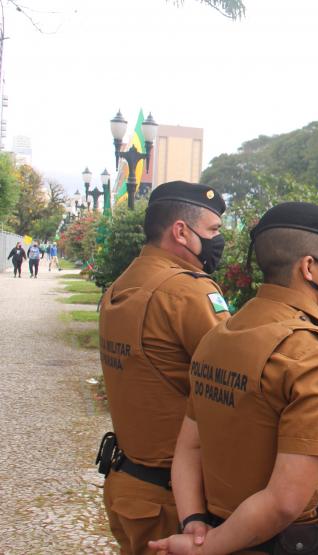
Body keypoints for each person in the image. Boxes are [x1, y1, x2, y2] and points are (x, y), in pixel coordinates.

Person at [148, 202, 318, 555]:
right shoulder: (316, 356)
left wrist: (195, 523)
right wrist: (204, 548)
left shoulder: (220, 335)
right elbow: (284, 502)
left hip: (219, 529)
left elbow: (189, 446)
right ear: (309, 267)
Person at [95, 181, 229, 553]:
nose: (219, 240)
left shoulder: (122, 284)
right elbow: (237, 381)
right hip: (176, 502)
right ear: (181, 232)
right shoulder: (187, 291)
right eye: (214, 230)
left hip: (129, 484)